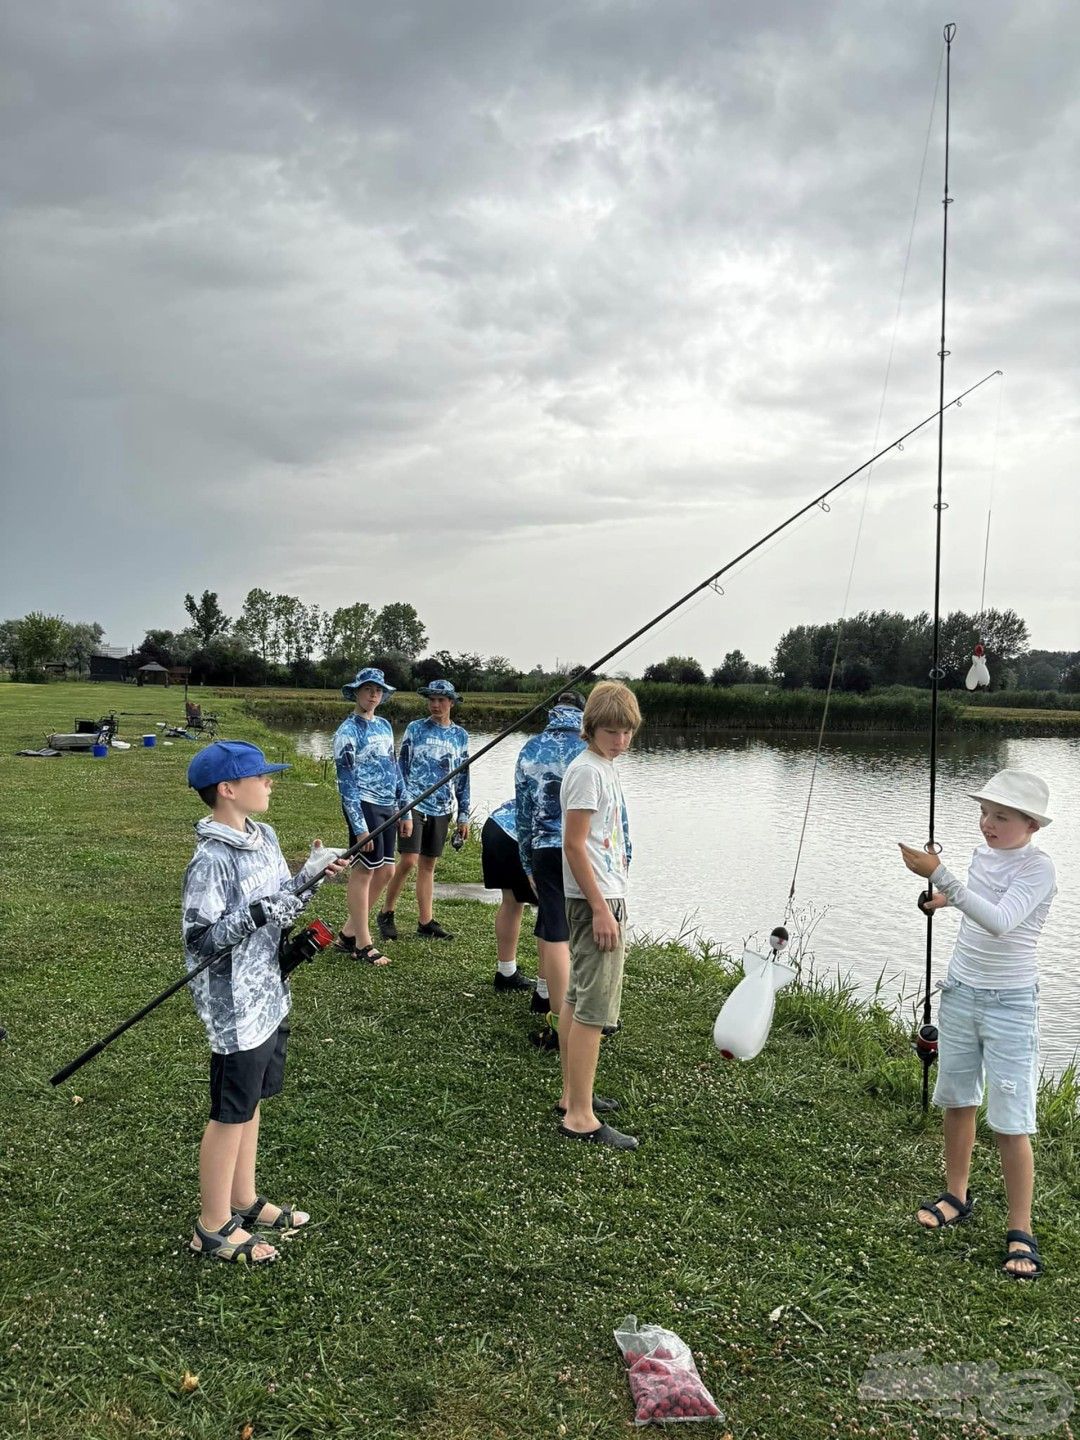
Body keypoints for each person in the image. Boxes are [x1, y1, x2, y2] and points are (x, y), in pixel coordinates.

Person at [182, 739, 348, 1262]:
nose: (271, 782)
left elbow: (284, 902)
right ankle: (211, 1227)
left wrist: (311, 876)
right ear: (228, 790)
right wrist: (257, 911)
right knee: (230, 1112)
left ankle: (244, 1198)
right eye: (262, 777)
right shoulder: (211, 859)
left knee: (252, 1101)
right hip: (234, 1005)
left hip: (270, 990)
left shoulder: (266, 834)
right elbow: (201, 940)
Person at [899, 768, 1057, 1279]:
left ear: (1031, 824)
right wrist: (942, 899)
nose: (988, 823)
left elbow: (1003, 919)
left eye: (1002, 816)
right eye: (985, 813)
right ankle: (957, 1195)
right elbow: (977, 906)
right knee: (958, 1100)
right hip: (961, 991)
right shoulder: (982, 856)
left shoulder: (1039, 869)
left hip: (1010, 1002)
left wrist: (940, 874)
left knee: (1011, 1121)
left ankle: (1021, 1229)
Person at [557, 681, 641, 1150]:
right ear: (590, 728)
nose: (620, 740)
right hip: (597, 902)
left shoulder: (602, 767)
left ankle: (573, 1096)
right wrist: (599, 908)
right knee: (594, 1009)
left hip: (604, 896)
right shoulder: (587, 771)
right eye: (611, 731)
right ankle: (580, 1118)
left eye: (627, 732)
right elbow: (573, 843)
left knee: (575, 997)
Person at [515, 692, 588, 1042]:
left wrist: (526, 862)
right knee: (583, 932)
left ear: (552, 713)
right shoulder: (593, 747)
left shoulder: (529, 749)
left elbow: (523, 814)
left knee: (555, 931)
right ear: (583, 713)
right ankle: (587, 1013)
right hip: (588, 850)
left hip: (545, 849)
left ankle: (560, 1024)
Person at [378, 679, 470, 942]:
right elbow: (401, 767)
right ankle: (386, 913)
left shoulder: (460, 735)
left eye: (441, 700)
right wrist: (401, 805)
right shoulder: (415, 729)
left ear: (451, 703)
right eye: (432, 699)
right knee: (408, 860)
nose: (435, 704)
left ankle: (425, 921)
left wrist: (463, 813)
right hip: (413, 803)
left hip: (443, 807)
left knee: (428, 864)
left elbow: (463, 776)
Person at [333, 667, 410, 964]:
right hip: (363, 805)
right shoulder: (346, 732)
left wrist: (405, 810)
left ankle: (348, 933)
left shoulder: (384, 726)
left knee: (387, 870)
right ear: (356, 692)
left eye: (378, 690)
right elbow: (346, 784)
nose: (373, 694)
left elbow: (395, 767)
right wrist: (359, 827)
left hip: (388, 805)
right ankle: (363, 944)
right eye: (368, 689)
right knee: (364, 871)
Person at [480, 796, 537, 993]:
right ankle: (547, 991)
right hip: (517, 837)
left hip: (496, 825)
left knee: (511, 901)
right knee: (549, 911)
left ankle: (506, 973)